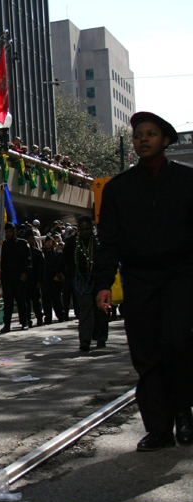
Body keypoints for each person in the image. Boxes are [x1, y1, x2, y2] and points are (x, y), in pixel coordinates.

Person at [94, 111, 193, 452]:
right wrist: (104, 283)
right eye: (138, 135)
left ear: (166, 140)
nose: (142, 140)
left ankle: (184, 410)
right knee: (146, 353)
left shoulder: (187, 181)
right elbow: (107, 241)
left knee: (178, 342)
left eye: (151, 134)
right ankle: (158, 428)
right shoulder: (118, 188)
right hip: (138, 279)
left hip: (181, 275)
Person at [59, 216, 107, 351]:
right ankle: (85, 340)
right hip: (81, 280)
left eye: (87, 229)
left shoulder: (98, 242)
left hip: (98, 279)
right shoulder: (73, 242)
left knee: (100, 309)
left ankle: (101, 337)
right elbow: (64, 258)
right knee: (85, 311)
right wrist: (60, 272)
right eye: (82, 230)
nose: (85, 232)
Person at [0, 222, 31, 333]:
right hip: (7, 276)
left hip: (19, 276)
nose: (8, 234)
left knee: (21, 301)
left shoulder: (22, 244)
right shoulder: (1, 246)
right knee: (8, 302)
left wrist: (25, 273)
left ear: (14, 231)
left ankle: (24, 322)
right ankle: (7, 324)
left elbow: (28, 260)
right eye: (6, 232)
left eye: (10, 232)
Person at [41, 236, 64, 324]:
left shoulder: (58, 253)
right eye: (47, 242)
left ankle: (60, 316)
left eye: (50, 241)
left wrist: (58, 275)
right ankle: (48, 318)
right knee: (46, 300)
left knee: (57, 299)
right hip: (45, 279)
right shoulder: (42, 254)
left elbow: (61, 265)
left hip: (55, 279)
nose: (48, 243)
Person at [25, 232, 44, 327]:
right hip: (26, 280)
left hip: (35, 280)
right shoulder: (23, 252)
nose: (31, 241)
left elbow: (41, 268)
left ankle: (39, 318)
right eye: (30, 239)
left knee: (36, 302)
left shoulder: (37, 252)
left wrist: (40, 281)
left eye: (33, 239)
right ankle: (28, 320)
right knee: (27, 303)